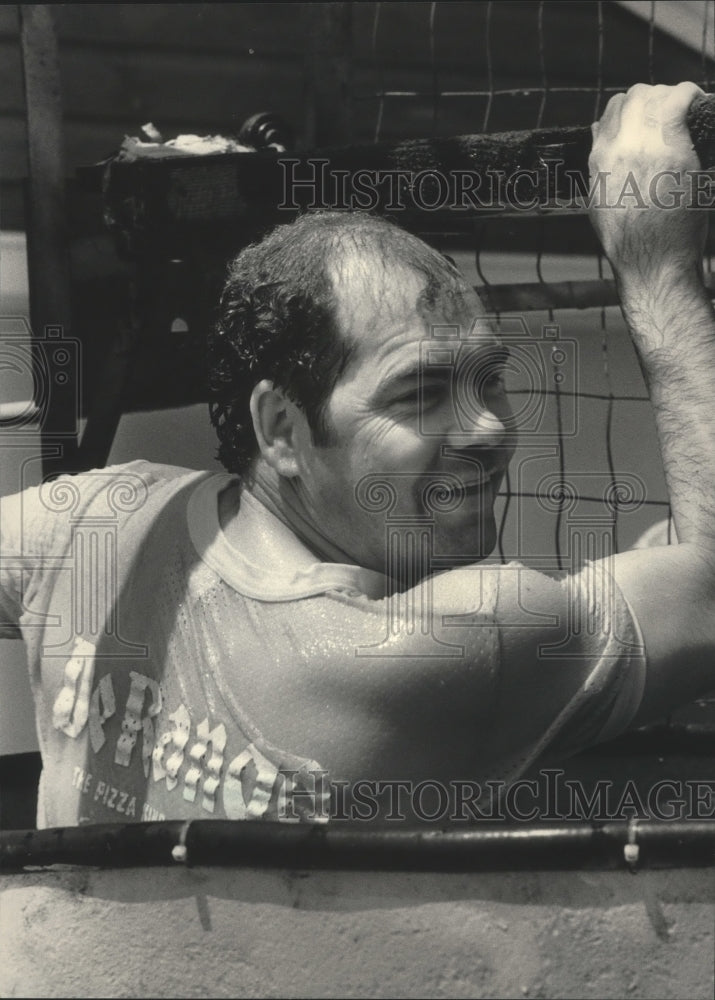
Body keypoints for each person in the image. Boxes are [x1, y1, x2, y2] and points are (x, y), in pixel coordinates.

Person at [1, 82, 714, 828]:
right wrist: (656, 265)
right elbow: (708, 593)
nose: (486, 432)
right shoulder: (444, 645)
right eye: (418, 394)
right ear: (280, 426)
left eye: (489, 380)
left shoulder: (84, 523)